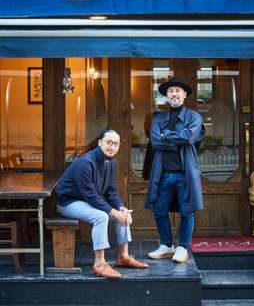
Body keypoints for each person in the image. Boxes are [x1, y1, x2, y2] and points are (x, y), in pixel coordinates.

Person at [54, 129, 148, 279]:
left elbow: (111, 191)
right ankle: (99, 264)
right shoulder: (85, 163)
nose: (112, 147)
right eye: (108, 142)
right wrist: (114, 212)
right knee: (102, 217)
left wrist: (120, 208)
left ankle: (123, 256)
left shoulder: (111, 162)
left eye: (115, 144)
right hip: (69, 202)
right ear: (99, 143)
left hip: (86, 201)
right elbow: (91, 196)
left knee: (122, 214)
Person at [145, 77, 205, 263]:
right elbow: (155, 142)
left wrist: (167, 137)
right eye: (171, 91)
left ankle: (183, 247)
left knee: (187, 211)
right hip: (162, 174)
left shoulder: (194, 117)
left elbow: (188, 139)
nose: (174, 94)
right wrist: (176, 139)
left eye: (178, 91)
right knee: (159, 210)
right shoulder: (157, 118)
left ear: (185, 95)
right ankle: (166, 245)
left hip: (184, 174)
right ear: (166, 95)